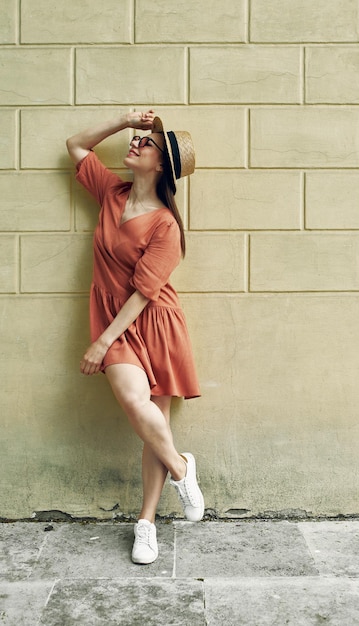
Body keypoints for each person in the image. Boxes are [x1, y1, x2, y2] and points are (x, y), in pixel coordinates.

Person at [66, 109, 204, 565]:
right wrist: (124, 120)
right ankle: (183, 469)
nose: (137, 144)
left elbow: (145, 292)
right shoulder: (112, 192)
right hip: (115, 318)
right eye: (138, 138)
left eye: (147, 143)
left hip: (153, 321)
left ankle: (146, 525)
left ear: (162, 165)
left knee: (151, 429)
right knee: (133, 401)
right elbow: (77, 145)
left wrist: (102, 342)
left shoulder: (166, 225)